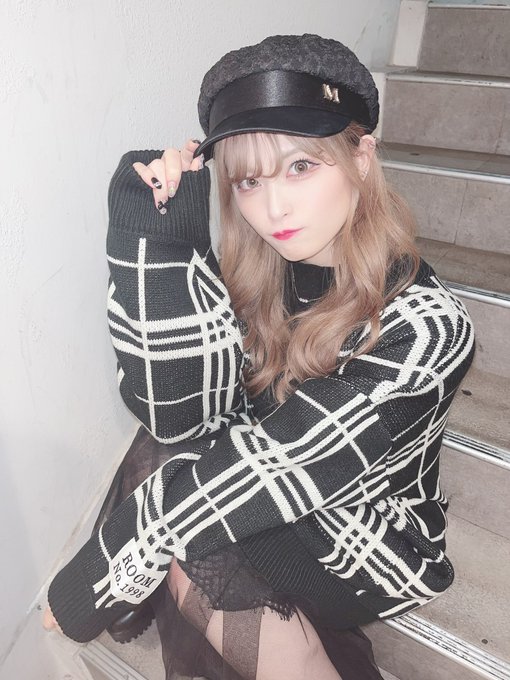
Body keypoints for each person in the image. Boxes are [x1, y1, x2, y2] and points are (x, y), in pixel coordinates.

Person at [43, 34, 475, 680]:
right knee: (165, 455)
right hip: (273, 479)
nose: (273, 208)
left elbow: (276, 466)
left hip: (372, 532)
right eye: (249, 180)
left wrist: (93, 582)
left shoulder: (429, 327)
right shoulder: (261, 279)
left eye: (301, 167)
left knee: (194, 534)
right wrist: (162, 234)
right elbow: (178, 412)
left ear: (361, 158)